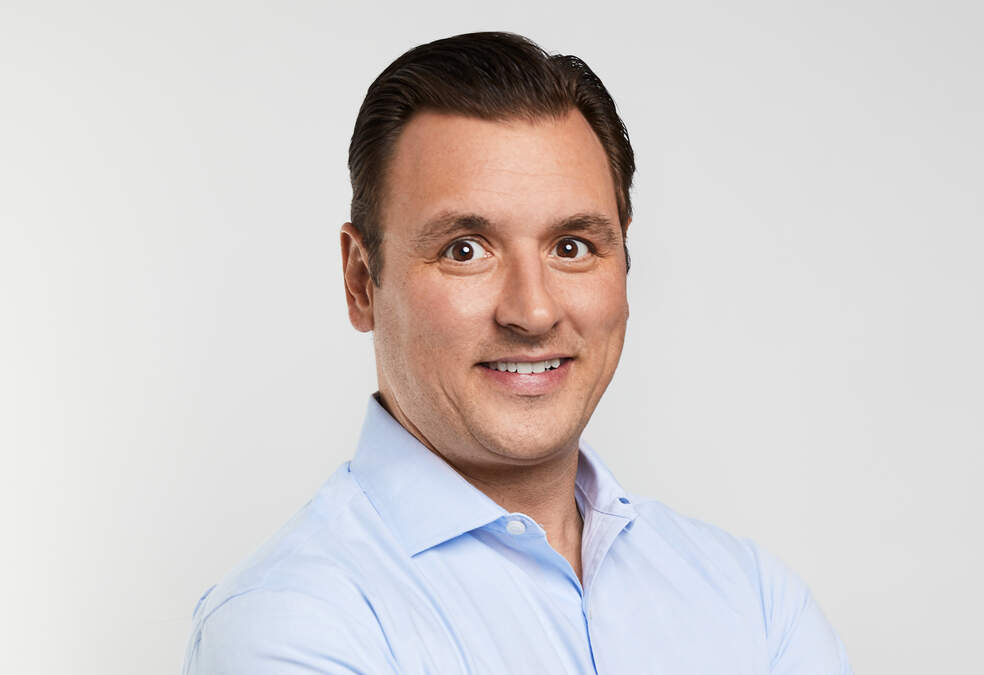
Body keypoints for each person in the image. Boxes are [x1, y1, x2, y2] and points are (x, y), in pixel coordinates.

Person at [182, 31, 852, 674]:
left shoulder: (755, 601)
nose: (532, 312)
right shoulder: (288, 625)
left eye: (572, 247)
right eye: (465, 250)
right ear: (362, 281)